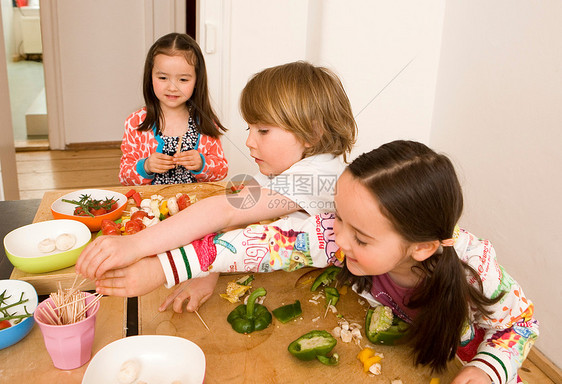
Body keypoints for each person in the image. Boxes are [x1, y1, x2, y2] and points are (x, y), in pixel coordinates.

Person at [97, 140, 538, 384]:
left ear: (421, 247)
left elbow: (520, 325)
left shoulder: (474, 268)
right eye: (339, 220)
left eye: (360, 236)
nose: (338, 239)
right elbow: (257, 243)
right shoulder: (338, 234)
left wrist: (487, 370)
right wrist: (156, 268)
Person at [76, 61, 357, 313]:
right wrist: (207, 272)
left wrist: (135, 245)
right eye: (250, 129)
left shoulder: (321, 177)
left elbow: (226, 211)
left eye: (263, 130)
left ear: (312, 133)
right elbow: (242, 212)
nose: (249, 141)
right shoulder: (291, 168)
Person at [119, 32, 228, 186]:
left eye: (183, 79)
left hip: (195, 205)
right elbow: (124, 176)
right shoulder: (136, 122)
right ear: (150, 77)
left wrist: (202, 164)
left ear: (197, 80)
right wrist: (146, 167)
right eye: (163, 78)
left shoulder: (205, 122)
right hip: (150, 206)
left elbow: (222, 170)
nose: (172, 87)